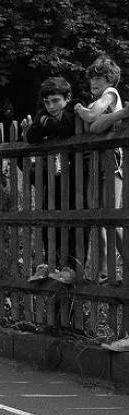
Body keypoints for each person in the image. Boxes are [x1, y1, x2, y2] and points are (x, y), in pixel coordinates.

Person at [19, 77, 81, 270]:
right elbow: (31, 136)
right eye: (47, 102)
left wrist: (45, 122)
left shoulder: (73, 110)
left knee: (72, 224)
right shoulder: (43, 113)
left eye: (55, 101)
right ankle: (50, 263)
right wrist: (43, 122)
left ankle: (71, 267)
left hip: (73, 176)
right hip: (52, 177)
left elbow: (66, 128)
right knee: (47, 223)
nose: (51, 106)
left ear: (67, 98)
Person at [74, 55, 124, 282]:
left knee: (111, 218)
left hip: (111, 159)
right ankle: (104, 272)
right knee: (99, 218)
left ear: (110, 80)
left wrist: (80, 109)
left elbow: (92, 119)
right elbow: (91, 125)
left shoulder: (110, 94)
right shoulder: (96, 99)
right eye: (92, 79)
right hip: (95, 162)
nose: (94, 83)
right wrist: (92, 118)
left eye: (100, 78)